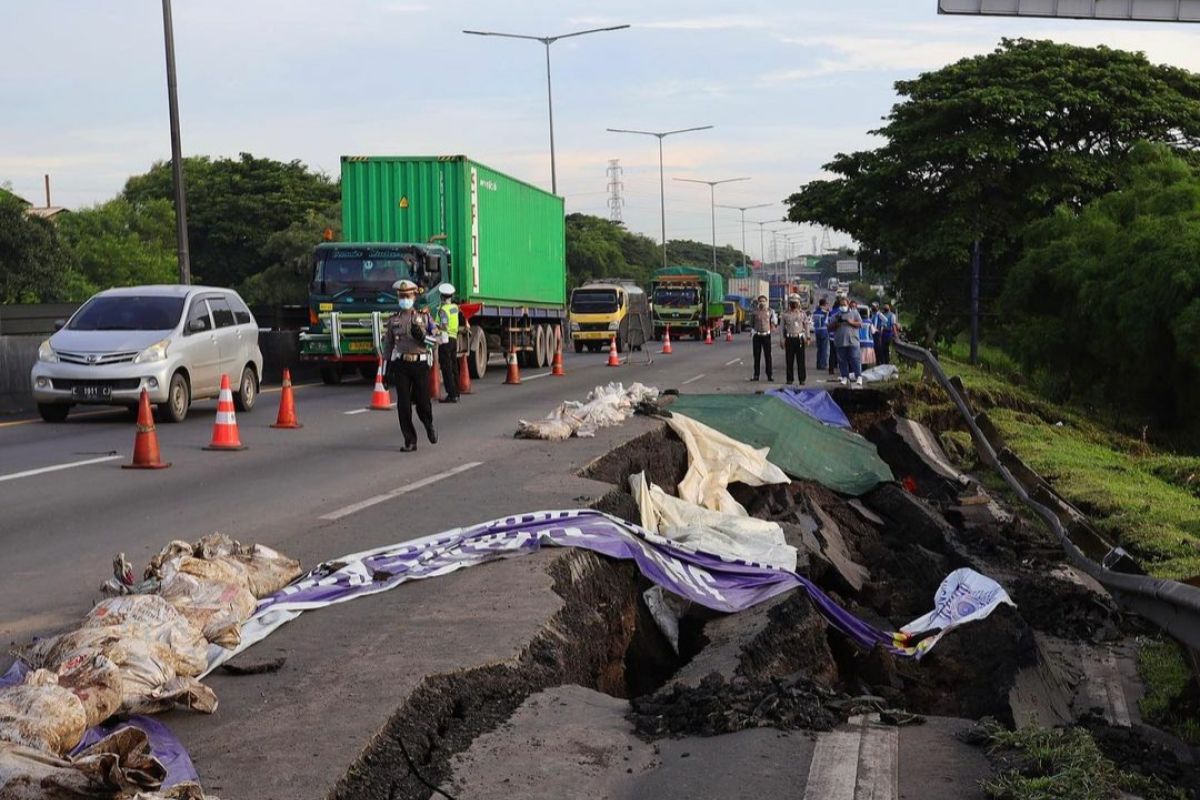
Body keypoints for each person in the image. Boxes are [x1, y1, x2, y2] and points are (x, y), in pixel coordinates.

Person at [383, 279, 437, 452]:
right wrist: (385, 371)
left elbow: (437, 339)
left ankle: (428, 425)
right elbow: (388, 346)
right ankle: (410, 440)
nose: (404, 299)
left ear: (414, 297)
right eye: (401, 296)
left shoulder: (424, 317)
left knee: (422, 403)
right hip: (401, 365)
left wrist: (423, 337)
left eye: (407, 296)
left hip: (420, 364)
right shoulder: (393, 320)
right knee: (403, 405)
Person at [435, 282, 460, 403]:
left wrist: (435, 327)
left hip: (445, 339)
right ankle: (457, 391)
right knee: (454, 365)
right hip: (454, 338)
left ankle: (451, 394)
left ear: (441, 296)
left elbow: (444, 325)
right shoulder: (455, 307)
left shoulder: (443, 310)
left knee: (446, 368)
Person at [830, 295, 862, 386]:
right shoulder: (836, 315)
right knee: (842, 360)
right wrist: (836, 324)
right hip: (840, 341)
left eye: (844, 304)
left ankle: (858, 376)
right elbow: (829, 327)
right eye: (841, 305)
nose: (842, 306)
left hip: (853, 341)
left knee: (855, 358)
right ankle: (845, 377)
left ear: (848, 304)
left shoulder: (855, 313)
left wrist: (850, 322)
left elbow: (860, 324)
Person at [779, 293, 808, 386]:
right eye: (792, 302)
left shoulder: (802, 314)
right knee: (789, 360)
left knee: (801, 360)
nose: (793, 304)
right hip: (789, 338)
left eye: (795, 302)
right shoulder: (784, 314)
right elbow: (781, 328)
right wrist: (782, 339)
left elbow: (806, 325)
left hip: (799, 338)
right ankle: (789, 379)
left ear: (799, 303)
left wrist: (808, 337)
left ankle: (802, 379)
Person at [749, 295, 774, 382]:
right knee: (756, 356)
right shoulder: (754, 312)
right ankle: (756, 375)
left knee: (768, 356)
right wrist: (752, 331)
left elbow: (773, 322)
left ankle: (769, 375)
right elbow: (751, 323)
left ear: (766, 302)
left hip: (766, 335)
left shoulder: (770, 311)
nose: (762, 303)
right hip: (757, 336)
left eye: (764, 301)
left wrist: (772, 327)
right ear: (758, 302)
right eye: (760, 301)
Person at [856, 300, 876, 368]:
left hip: (859, 342)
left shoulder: (857, 322)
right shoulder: (869, 322)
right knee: (866, 359)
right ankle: (864, 370)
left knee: (859, 358)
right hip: (868, 343)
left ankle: (859, 370)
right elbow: (873, 332)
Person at [811, 298, 830, 371]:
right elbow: (827, 322)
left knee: (819, 349)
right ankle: (823, 365)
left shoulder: (815, 312)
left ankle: (818, 364)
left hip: (817, 331)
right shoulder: (825, 312)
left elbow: (813, 320)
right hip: (824, 331)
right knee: (824, 349)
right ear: (824, 304)